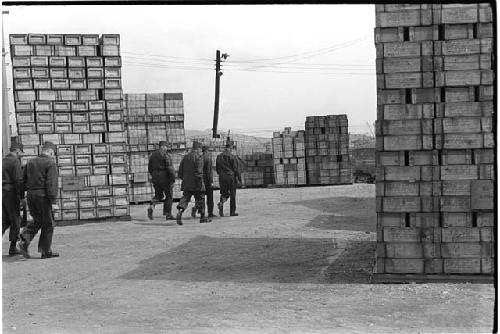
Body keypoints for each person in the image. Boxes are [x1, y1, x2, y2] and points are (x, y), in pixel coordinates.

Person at [17, 141, 59, 259]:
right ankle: (45, 251)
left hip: (31, 195)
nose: (53, 156)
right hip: (43, 197)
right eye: (53, 154)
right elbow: (51, 184)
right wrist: (53, 202)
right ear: (50, 151)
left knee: (37, 221)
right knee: (49, 224)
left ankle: (25, 239)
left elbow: (21, 181)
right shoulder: (50, 163)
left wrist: (22, 196)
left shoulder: (30, 162)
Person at [176, 141, 211, 225]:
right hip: (196, 183)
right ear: (198, 149)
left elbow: (180, 172)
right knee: (201, 199)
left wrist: (185, 179)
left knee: (185, 198)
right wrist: (200, 184)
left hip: (187, 183)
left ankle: (180, 212)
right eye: (200, 149)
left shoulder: (185, 157)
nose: (201, 151)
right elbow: (199, 172)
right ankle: (202, 217)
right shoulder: (199, 158)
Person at [2, 142, 25, 256]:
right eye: (21, 153)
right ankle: (12, 248)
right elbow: (18, 181)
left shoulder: (2, 161)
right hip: (11, 193)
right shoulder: (15, 161)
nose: (21, 155)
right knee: (15, 220)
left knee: (4, 221)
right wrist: (21, 197)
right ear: (17, 151)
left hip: (2, 192)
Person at [147, 140, 176, 220]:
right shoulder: (166, 155)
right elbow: (170, 168)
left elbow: (149, 168)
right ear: (163, 147)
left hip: (155, 178)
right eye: (166, 146)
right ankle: (168, 214)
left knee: (158, 195)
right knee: (169, 195)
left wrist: (154, 175)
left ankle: (151, 206)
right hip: (165, 178)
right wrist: (173, 179)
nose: (167, 148)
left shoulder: (153, 155)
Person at [216, 141, 241, 217]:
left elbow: (217, 169)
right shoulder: (232, 157)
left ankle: (221, 204)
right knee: (232, 194)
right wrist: (239, 179)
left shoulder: (219, 157)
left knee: (223, 193)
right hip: (231, 177)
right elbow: (236, 169)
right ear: (231, 148)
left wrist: (221, 174)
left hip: (222, 177)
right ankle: (232, 212)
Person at [191, 145, 215, 219]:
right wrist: (211, 181)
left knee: (201, 197)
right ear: (207, 151)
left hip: (200, 180)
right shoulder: (208, 158)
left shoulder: (199, 158)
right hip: (207, 180)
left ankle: (196, 209)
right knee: (210, 197)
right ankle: (210, 213)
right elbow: (209, 171)